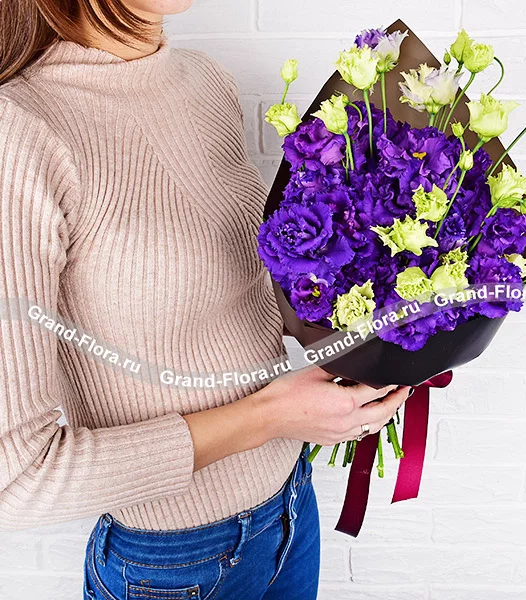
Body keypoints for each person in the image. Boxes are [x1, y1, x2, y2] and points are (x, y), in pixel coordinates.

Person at [0, 1, 410, 598]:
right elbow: (16, 480)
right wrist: (271, 416)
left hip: (291, 501)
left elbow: (236, 295)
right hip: (175, 565)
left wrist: (377, 335)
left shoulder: (205, 80)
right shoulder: (20, 134)